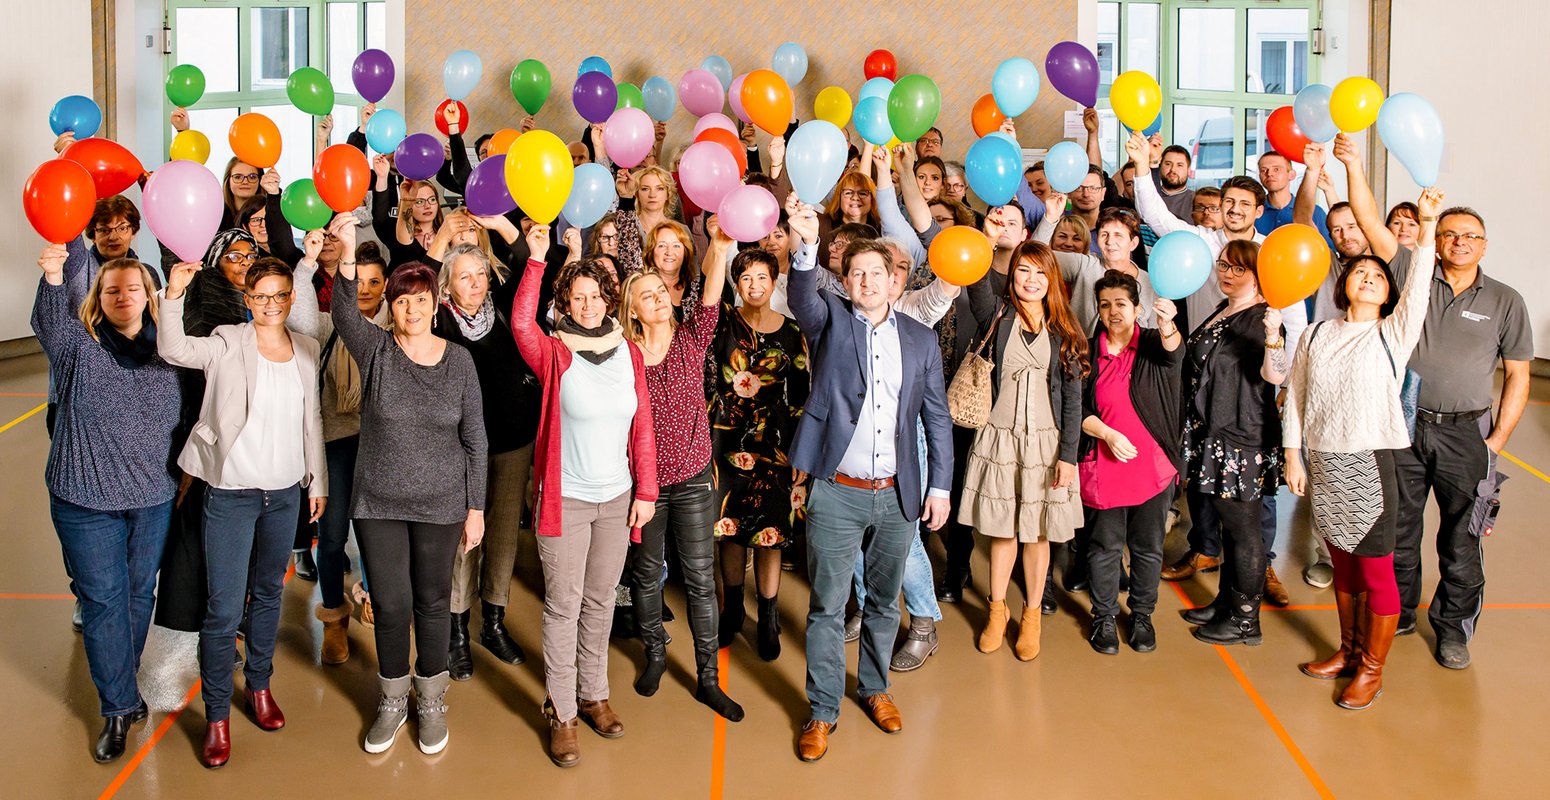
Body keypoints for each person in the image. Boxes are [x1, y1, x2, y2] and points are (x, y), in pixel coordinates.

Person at [1333, 136, 1533, 668]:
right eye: (1449, 234)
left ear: (1484, 246)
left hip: (1467, 433)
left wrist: (1496, 441)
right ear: (1434, 239)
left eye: (1470, 236)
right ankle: (1396, 613)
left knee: (1462, 539)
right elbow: (1370, 219)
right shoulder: (1410, 276)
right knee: (1398, 529)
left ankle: (1452, 630)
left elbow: (1518, 376)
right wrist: (1352, 163)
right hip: (1402, 425)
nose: (1459, 242)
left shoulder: (1506, 300)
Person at [784, 201, 952, 763]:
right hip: (836, 488)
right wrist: (805, 246)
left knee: (884, 604)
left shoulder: (920, 339)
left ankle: (875, 689)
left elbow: (935, 418)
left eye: (876, 273)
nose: (866, 281)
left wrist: (940, 487)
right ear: (847, 281)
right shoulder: (828, 320)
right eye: (856, 273)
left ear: (894, 281)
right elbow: (804, 298)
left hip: (898, 494)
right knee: (828, 607)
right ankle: (823, 710)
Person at [328, 215, 488, 757]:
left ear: (436, 304)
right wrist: (347, 251)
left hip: (442, 505)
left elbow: (476, 440)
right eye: (401, 301)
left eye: (420, 300)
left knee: (433, 603)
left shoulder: (460, 362)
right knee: (392, 606)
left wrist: (476, 508)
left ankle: (432, 699)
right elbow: (343, 310)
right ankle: (393, 700)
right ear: (391, 309)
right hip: (378, 503)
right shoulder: (376, 352)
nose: (411, 309)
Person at [158, 255, 326, 769]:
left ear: (290, 299)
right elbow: (174, 348)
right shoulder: (228, 342)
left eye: (280, 296)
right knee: (223, 607)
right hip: (230, 493)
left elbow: (311, 419)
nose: (271, 305)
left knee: (270, 594)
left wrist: (315, 478)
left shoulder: (307, 349)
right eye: (261, 296)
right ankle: (215, 715)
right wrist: (172, 297)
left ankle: (258, 685)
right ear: (248, 300)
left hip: (283, 494)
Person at [1284, 187, 1443, 708]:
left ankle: (1372, 669)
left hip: (1372, 461)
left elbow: (1418, 289)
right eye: (1360, 273)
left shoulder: (1393, 334)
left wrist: (1425, 226)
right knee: (1344, 566)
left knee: (1374, 568)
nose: (1368, 277)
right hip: (1325, 462)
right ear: (1343, 284)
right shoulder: (1314, 335)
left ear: (1386, 291)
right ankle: (1349, 651)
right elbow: (1297, 402)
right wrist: (1293, 455)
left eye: (1378, 275)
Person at [512, 229, 658, 768]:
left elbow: (642, 425)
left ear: (609, 298)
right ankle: (563, 710)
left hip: (617, 500)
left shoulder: (629, 353)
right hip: (567, 500)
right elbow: (521, 324)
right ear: (566, 304)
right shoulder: (553, 353)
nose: (590, 306)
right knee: (563, 605)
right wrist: (535, 259)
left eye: (597, 296)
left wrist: (647, 489)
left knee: (600, 601)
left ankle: (595, 694)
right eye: (579, 298)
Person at [32, 242, 181, 763]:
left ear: (148, 295)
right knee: (102, 600)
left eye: (133, 288)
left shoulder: (169, 349)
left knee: (139, 593)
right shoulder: (79, 344)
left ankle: (122, 678)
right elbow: (48, 324)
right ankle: (117, 706)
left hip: (151, 497)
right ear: (98, 296)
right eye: (112, 289)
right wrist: (54, 276)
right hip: (84, 495)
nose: (123, 296)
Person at [616, 216, 742, 720]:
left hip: (691, 480)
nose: (659, 298)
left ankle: (708, 677)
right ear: (633, 311)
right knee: (647, 577)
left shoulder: (692, 338)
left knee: (699, 577)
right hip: (644, 488)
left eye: (661, 292)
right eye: (646, 295)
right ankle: (654, 655)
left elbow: (711, 292)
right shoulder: (623, 355)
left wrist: (720, 246)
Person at [960, 241, 1088, 661]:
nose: (1030, 281)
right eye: (1022, 271)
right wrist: (987, 237)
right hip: (999, 438)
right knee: (1003, 531)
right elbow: (976, 278)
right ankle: (997, 612)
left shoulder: (1064, 328)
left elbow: (1073, 399)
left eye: (1039, 272)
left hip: (1046, 444)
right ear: (1011, 275)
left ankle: (1031, 616)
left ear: (1052, 278)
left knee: (1038, 534)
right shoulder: (996, 315)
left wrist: (1068, 455)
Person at [435, 243, 540, 680]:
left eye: (480, 274)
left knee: (502, 535)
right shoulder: (439, 323)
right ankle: (457, 631)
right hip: (461, 449)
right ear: (447, 284)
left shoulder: (504, 313)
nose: (475, 283)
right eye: (464, 276)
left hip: (513, 441)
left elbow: (527, 259)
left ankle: (493, 623)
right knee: (466, 537)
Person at [1179, 240, 1288, 647]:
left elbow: (1275, 375)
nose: (1227, 273)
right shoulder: (1226, 308)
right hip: (1216, 432)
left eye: (1238, 269)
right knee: (1229, 527)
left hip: (1242, 438)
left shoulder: (1264, 317)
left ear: (1259, 277)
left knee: (1245, 531)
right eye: (1223, 265)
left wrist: (1275, 335)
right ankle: (1226, 601)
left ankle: (1246, 620)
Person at [710, 249, 810, 662]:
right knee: (730, 526)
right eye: (746, 278)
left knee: (771, 532)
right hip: (727, 438)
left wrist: (802, 454)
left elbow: (802, 397)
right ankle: (732, 608)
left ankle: (768, 614)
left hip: (776, 443)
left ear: (774, 282)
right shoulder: (721, 323)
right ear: (736, 283)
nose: (754, 285)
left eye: (762, 278)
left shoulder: (791, 331)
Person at [1079, 271, 1183, 654]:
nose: (1112, 311)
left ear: (1137, 309)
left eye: (1121, 303)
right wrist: (1107, 434)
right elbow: (1078, 409)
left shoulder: (1155, 343)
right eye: (1104, 304)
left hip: (1152, 469)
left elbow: (1176, 354)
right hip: (1104, 465)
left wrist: (1168, 323)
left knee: (1147, 547)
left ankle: (1142, 615)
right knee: (1104, 546)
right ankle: (1103, 617)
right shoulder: (1089, 351)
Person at [306, 241, 390, 664]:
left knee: (378, 533)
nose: (366, 289)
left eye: (375, 281)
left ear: (386, 285)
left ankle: (376, 597)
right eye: (359, 280)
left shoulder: (400, 327)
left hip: (382, 443)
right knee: (334, 534)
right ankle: (334, 618)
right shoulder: (328, 325)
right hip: (337, 441)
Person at [1255, 151, 1329, 242]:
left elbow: (1329, 251)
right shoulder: (1253, 212)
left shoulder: (1316, 213)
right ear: (1259, 177)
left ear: (1291, 175)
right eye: (1264, 170)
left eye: (1276, 169)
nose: (1269, 174)